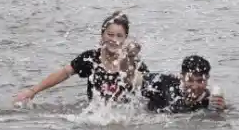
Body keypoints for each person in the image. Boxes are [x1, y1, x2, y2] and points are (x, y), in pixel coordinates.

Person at [14, 12, 146, 104]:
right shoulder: (91, 58)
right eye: (110, 34)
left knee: (137, 78)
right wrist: (33, 91)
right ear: (102, 35)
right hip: (96, 113)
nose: (113, 39)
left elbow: (149, 87)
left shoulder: (134, 61)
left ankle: (128, 73)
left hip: (125, 113)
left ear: (125, 39)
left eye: (119, 36)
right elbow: (64, 73)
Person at [141, 55, 227, 114]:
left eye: (200, 81)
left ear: (207, 79)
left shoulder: (208, 101)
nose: (195, 86)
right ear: (181, 77)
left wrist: (222, 110)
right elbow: (138, 80)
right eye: (190, 80)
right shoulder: (163, 83)